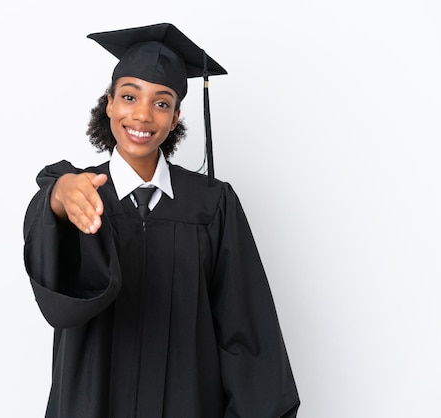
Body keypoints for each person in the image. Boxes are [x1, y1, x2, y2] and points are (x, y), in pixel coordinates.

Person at [23, 23, 300, 418]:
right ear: (109, 104)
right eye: (129, 96)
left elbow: (246, 331)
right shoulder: (79, 194)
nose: (142, 114)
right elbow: (56, 294)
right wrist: (55, 199)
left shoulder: (212, 205)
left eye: (161, 102)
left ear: (175, 118)